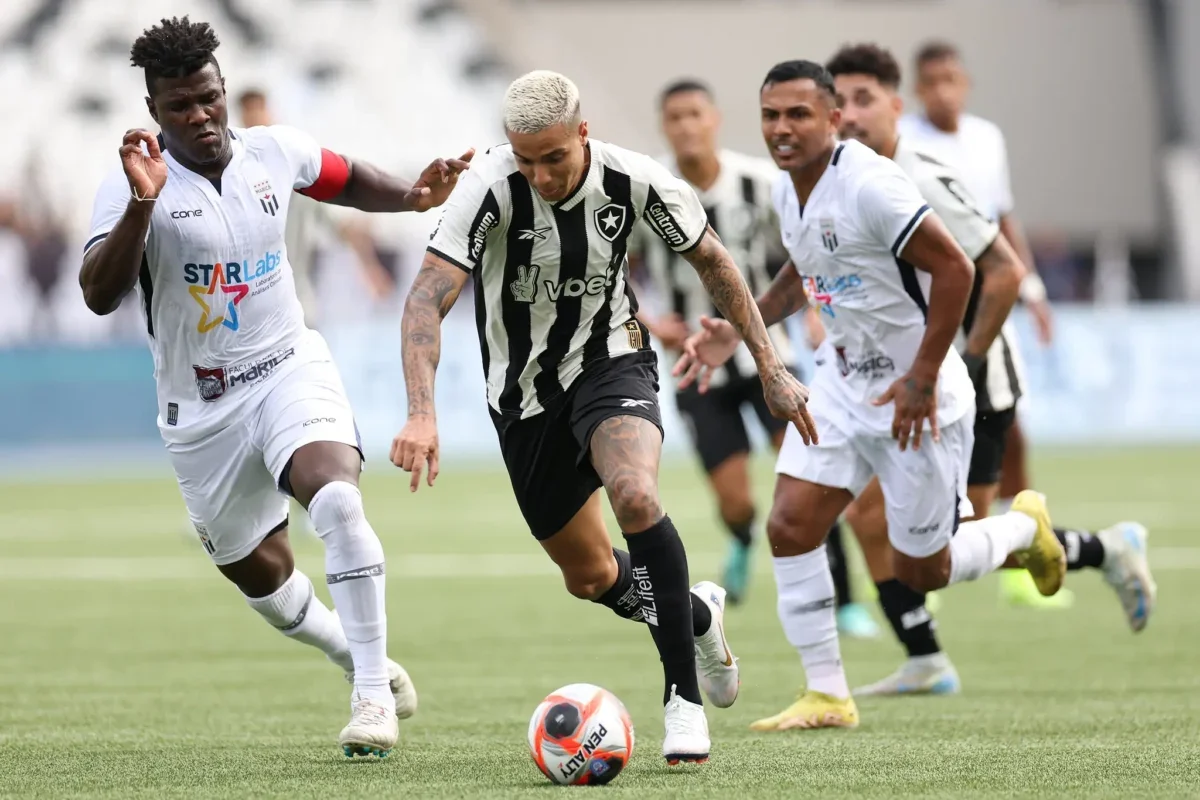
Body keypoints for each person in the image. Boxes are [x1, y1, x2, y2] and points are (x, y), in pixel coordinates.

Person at [390, 70, 813, 764]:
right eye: (525, 160)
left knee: (637, 494)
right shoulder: (488, 189)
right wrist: (420, 412)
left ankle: (683, 703)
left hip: (611, 362)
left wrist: (770, 365)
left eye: (553, 158)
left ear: (582, 134)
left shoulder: (635, 180)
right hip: (522, 401)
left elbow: (715, 263)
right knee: (588, 577)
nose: (541, 175)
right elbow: (425, 298)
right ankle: (698, 614)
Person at [79, 17, 471, 758]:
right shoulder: (136, 186)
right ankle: (356, 657)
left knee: (338, 499)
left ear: (223, 89)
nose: (199, 117)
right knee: (260, 574)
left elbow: (345, 177)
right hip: (201, 412)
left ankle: (368, 701)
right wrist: (140, 205)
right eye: (178, 107)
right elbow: (100, 293)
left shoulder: (272, 151)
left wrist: (416, 197)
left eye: (207, 98)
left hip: (289, 365)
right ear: (153, 111)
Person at [674, 59, 1066, 732]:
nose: (782, 128)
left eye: (799, 114)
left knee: (925, 569)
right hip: (843, 382)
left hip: (917, 394)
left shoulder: (872, 185)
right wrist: (740, 330)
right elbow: (804, 272)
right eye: (771, 115)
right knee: (791, 524)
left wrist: (922, 374)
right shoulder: (785, 191)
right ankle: (828, 694)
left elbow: (956, 269)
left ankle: (1023, 530)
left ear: (832, 119)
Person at [823, 43, 1157, 696]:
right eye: (840, 103)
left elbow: (1003, 268)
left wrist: (960, 366)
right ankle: (924, 656)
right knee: (865, 515)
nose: (850, 115)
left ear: (897, 105)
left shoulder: (923, 172)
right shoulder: (841, 178)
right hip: (899, 376)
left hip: (968, 379)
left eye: (864, 99)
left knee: (952, 546)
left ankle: (1104, 547)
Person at [899, 41, 1153, 612]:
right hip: (917, 315)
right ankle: (912, 584)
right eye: (931, 81)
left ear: (964, 82)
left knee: (1001, 438)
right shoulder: (896, 146)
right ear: (914, 91)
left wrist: (1032, 289)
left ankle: (931, 580)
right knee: (905, 458)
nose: (942, 90)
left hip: (975, 314)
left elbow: (999, 216)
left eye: (951, 79)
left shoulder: (985, 139)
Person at [632, 78, 878, 636]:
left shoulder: (759, 184)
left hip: (772, 358)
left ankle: (844, 601)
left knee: (810, 476)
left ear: (714, 119)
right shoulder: (650, 192)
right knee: (736, 500)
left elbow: (805, 252)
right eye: (675, 118)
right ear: (664, 127)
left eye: (695, 114)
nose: (687, 126)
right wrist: (650, 320)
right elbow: (612, 269)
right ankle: (742, 537)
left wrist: (815, 313)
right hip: (698, 365)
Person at [236, 89, 395, 328]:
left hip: (297, 305)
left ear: (271, 112)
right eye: (249, 112)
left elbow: (342, 226)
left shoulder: (299, 168)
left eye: (260, 109)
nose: (256, 118)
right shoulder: (233, 174)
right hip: (250, 311)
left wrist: (371, 269)